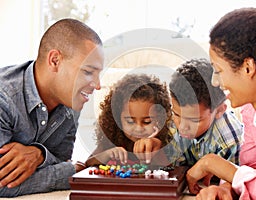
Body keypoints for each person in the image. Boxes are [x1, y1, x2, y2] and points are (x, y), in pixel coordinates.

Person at [186, 7, 256, 200]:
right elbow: (251, 168)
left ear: (248, 68)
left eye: (219, 71)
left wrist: (214, 164)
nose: (215, 81)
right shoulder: (253, 109)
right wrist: (227, 188)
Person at [0, 18, 104, 197]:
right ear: (55, 60)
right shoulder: (4, 98)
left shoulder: (72, 102)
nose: (97, 85)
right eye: (88, 72)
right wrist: (74, 171)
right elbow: (2, 184)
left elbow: (61, 159)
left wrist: (39, 154)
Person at [164, 58, 243, 170]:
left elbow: (233, 179)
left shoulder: (229, 138)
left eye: (195, 120)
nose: (183, 127)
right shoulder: (170, 121)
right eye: (176, 115)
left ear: (219, 111)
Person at [85, 73, 173, 166]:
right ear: (117, 120)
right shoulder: (113, 139)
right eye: (130, 122)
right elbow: (87, 164)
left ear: (161, 118)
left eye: (147, 122)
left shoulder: (168, 140)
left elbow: (173, 172)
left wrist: (157, 152)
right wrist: (107, 154)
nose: (139, 129)